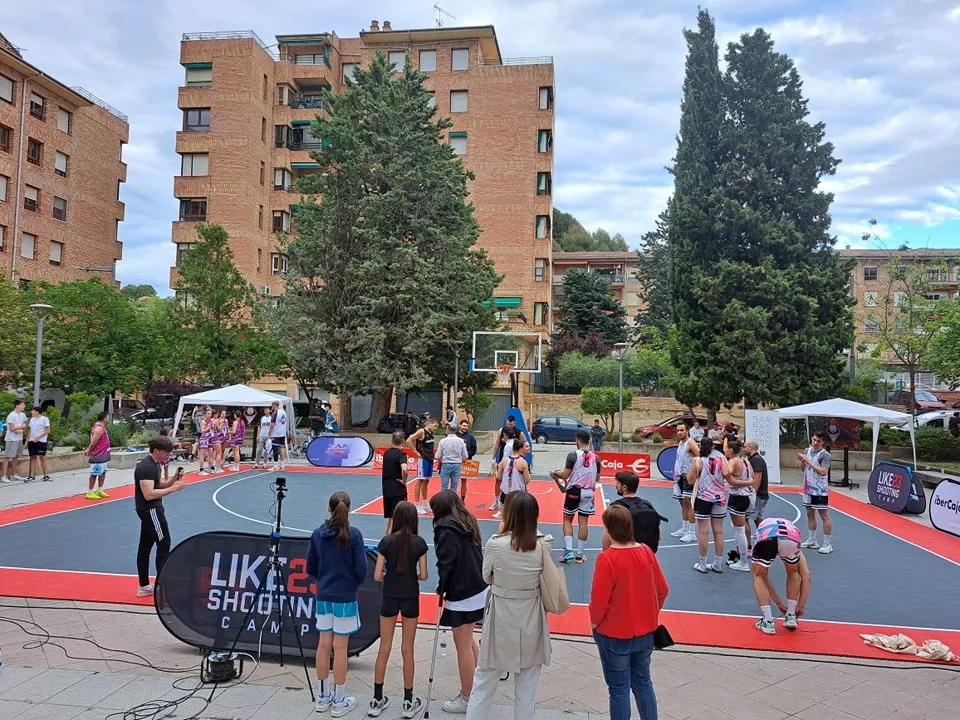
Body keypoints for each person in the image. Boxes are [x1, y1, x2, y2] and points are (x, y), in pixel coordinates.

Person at [466, 492, 551, 720]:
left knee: (484, 681)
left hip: (502, 615)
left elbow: (486, 576)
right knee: (526, 688)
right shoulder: (542, 544)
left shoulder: (497, 544)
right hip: (531, 614)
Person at [590, 504, 668, 720]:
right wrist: (650, 612)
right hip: (645, 631)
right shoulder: (645, 551)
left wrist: (595, 623)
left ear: (609, 530)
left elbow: (599, 601)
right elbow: (662, 589)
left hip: (614, 633)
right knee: (643, 682)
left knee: (618, 689)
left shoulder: (607, 559)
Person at [306, 491, 368, 717]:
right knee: (340, 648)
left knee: (323, 645)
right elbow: (361, 570)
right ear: (348, 509)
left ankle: (323, 698)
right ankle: (339, 700)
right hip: (345, 597)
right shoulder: (354, 535)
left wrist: (324, 580)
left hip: (324, 596)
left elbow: (311, 567)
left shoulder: (317, 534)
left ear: (328, 508)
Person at [369, 501, 427, 718]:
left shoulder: (386, 542)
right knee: (408, 649)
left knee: (384, 648)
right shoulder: (419, 543)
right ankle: (407, 701)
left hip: (390, 597)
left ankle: (376, 698)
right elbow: (424, 575)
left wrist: (389, 576)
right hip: (411, 596)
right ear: (414, 519)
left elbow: (377, 575)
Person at [430, 490, 487, 714]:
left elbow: (446, 562)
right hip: (478, 586)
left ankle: (467, 697)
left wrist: (442, 588)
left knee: (461, 645)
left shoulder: (445, 529)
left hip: (462, 592)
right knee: (468, 639)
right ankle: (479, 687)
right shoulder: (467, 521)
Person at [134, 435, 185, 597]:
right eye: (165, 453)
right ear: (156, 450)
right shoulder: (146, 467)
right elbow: (149, 494)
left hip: (150, 510)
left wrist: (173, 479)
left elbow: (158, 484)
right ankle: (162, 584)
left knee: (145, 548)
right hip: (151, 510)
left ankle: (144, 586)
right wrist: (174, 489)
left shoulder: (155, 465)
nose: (167, 456)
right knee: (164, 543)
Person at [750, 517, 811, 635]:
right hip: (791, 538)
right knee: (793, 571)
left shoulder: (761, 530)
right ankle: (791, 616)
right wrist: (800, 606)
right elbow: (806, 576)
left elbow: (763, 576)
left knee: (758, 575)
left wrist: (778, 603)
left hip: (767, 536)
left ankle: (767, 621)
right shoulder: (796, 540)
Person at [549, 430, 599, 564]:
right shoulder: (596, 457)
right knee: (583, 523)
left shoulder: (572, 455)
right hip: (588, 492)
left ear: (578, 440)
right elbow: (597, 477)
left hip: (574, 491)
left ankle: (569, 551)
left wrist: (555, 473)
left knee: (567, 520)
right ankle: (580, 554)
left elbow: (565, 475)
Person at [689, 436, 729, 573]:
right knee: (718, 531)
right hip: (720, 498)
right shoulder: (721, 459)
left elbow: (690, 480)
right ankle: (717, 563)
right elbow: (727, 474)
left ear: (700, 446)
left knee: (703, 531)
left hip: (704, 498)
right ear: (712, 447)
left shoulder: (697, 461)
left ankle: (702, 563)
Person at [604, 471, 667, 553]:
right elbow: (658, 535)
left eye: (618, 483)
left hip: (625, 553)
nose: (616, 485)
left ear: (624, 487)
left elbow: (607, 536)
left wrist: (606, 555)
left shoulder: (616, 507)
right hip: (646, 554)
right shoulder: (647, 504)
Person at [798, 432, 833, 554]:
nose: (815, 442)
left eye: (818, 441)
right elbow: (802, 469)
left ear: (823, 442)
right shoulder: (807, 450)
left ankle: (827, 543)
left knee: (824, 515)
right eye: (814, 440)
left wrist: (808, 462)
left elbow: (823, 472)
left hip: (820, 490)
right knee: (809, 514)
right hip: (808, 488)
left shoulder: (825, 455)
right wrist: (803, 461)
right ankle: (812, 540)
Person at [724, 440, 755, 572]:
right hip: (748, 495)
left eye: (726, 448)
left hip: (739, 496)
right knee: (739, 527)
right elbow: (752, 477)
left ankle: (743, 562)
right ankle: (742, 558)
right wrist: (746, 482)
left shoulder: (733, 461)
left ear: (731, 450)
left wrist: (721, 464)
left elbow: (726, 473)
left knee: (739, 530)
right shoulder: (745, 460)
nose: (724, 451)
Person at [670, 423, 698, 543]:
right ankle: (685, 528)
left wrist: (693, 472)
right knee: (682, 502)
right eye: (678, 430)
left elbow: (700, 457)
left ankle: (692, 532)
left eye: (682, 430)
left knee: (689, 503)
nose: (680, 432)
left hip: (688, 477)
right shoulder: (681, 443)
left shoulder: (691, 443)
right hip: (679, 477)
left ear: (687, 431)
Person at [407, 417, 439, 515]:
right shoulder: (421, 431)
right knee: (420, 480)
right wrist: (415, 451)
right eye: (435, 426)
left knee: (426, 481)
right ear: (430, 423)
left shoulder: (431, 433)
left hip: (429, 458)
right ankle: (416, 504)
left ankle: (425, 502)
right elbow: (409, 440)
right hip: (423, 459)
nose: (436, 428)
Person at [493, 438, 531, 520]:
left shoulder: (504, 460)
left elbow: (498, 477)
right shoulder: (523, 462)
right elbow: (527, 480)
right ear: (520, 449)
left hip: (505, 494)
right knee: (518, 519)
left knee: (504, 519)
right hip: (517, 494)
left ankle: (502, 532)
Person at [489, 415, 520, 512]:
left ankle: (510, 503)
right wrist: (493, 458)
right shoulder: (501, 431)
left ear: (514, 423)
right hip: (503, 460)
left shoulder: (518, 432)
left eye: (511, 424)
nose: (509, 425)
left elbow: (524, 446)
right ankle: (497, 501)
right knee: (498, 480)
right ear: (506, 422)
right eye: (508, 423)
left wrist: (521, 460)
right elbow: (497, 444)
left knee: (510, 482)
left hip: (513, 463)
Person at [382, 430, 410, 534]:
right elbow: (404, 469)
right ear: (402, 441)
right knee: (396, 517)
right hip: (397, 489)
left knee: (390, 517)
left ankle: (387, 537)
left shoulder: (386, 453)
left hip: (386, 487)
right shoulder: (402, 454)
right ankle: (392, 540)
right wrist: (404, 480)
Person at [84, 412, 112, 500]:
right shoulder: (99, 429)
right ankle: (90, 491)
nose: (109, 418)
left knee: (103, 472)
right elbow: (94, 442)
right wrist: (88, 450)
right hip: (98, 454)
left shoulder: (103, 428)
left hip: (104, 454)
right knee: (95, 473)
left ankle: (99, 489)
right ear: (104, 418)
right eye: (107, 417)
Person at [744, 441, 768, 540]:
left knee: (744, 519)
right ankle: (766, 538)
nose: (743, 448)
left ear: (751, 447)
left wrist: (752, 493)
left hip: (758, 495)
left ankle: (747, 545)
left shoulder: (756, 460)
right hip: (761, 494)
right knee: (758, 518)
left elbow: (757, 477)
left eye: (745, 447)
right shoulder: (754, 459)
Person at [436, 423, 469, 494]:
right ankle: (453, 503)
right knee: (454, 487)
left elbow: (437, 456)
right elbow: (465, 455)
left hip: (446, 464)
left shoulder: (443, 441)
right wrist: (460, 460)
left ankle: (444, 503)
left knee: (444, 487)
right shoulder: (461, 441)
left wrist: (442, 459)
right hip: (457, 464)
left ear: (447, 429)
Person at [2, 398, 27, 483]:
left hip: (19, 438)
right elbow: (12, 428)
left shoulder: (23, 415)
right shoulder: (11, 415)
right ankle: (3, 476)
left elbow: (24, 425)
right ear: (17, 405)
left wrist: (19, 428)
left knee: (16, 456)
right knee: (8, 456)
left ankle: (14, 474)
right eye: (22, 405)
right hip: (11, 439)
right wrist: (19, 428)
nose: (24, 406)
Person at [26, 405, 51, 483]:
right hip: (32, 441)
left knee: (42, 458)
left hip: (41, 441)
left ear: (37, 411)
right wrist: (27, 441)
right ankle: (32, 476)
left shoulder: (44, 419)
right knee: (33, 458)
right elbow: (30, 431)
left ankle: (45, 475)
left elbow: (47, 430)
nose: (31, 412)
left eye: (33, 410)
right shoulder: (32, 419)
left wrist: (38, 437)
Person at [456, 420, 478, 503]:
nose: (465, 428)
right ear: (460, 425)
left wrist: (466, 456)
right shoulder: (455, 436)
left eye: (467, 426)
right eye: (464, 426)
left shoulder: (471, 437)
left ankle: (462, 499)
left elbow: (474, 450)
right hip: (455, 461)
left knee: (464, 481)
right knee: (454, 481)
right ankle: (452, 499)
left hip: (466, 462)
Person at [268, 400, 288, 470]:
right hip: (282, 433)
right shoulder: (283, 412)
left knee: (275, 450)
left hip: (276, 433)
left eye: (272, 405)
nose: (271, 406)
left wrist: (269, 434)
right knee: (282, 448)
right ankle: (282, 465)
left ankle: (275, 466)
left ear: (275, 405)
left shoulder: (275, 413)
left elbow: (272, 424)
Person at [198, 408, 214, 475]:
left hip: (210, 438)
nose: (209, 415)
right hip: (204, 438)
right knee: (203, 454)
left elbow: (213, 430)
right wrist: (208, 427)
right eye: (207, 413)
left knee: (210, 454)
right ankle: (201, 469)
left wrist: (212, 427)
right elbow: (203, 431)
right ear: (205, 414)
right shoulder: (203, 421)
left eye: (210, 413)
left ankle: (211, 468)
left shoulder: (211, 421)